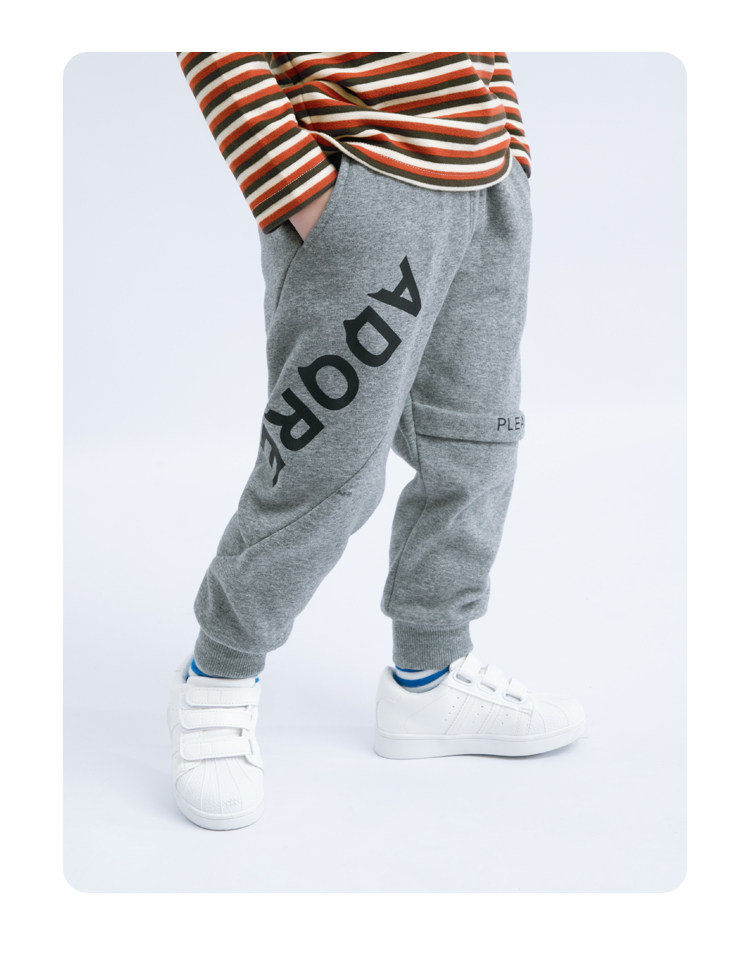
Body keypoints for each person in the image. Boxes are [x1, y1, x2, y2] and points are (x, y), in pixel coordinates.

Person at [167, 52, 586, 831]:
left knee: (476, 446)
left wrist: (510, 152)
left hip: (487, 183)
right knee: (322, 468)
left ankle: (429, 676)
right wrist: (302, 194)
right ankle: (217, 676)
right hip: (365, 181)